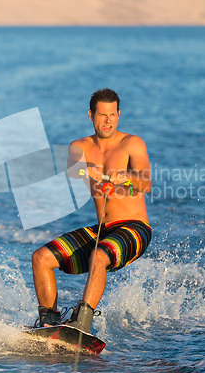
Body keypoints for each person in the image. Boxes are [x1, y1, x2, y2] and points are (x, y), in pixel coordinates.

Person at [31, 88, 152, 332]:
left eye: (112, 115)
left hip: (135, 228)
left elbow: (145, 183)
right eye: (102, 115)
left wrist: (125, 178)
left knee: (99, 256)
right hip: (103, 230)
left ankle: (82, 324)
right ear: (91, 115)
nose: (108, 121)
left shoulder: (132, 144)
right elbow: (73, 170)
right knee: (41, 258)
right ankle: (50, 325)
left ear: (118, 115)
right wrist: (89, 169)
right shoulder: (80, 146)